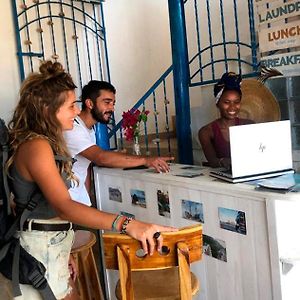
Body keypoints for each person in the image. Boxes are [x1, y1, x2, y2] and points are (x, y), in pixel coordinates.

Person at [0, 61, 176, 300]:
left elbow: (49, 209)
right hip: (39, 252)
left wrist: (66, 249)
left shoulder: (44, 142)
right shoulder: (37, 146)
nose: (76, 111)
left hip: (50, 246)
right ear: (46, 110)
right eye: (71, 105)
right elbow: (64, 205)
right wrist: (128, 224)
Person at [63, 80, 174, 206]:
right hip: (66, 202)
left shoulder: (88, 129)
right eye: (107, 102)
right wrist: (146, 160)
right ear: (90, 103)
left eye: (113, 103)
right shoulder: (73, 128)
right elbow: (101, 157)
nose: (112, 108)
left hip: (78, 200)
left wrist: (87, 197)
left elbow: (85, 166)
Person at [198, 72, 254, 169]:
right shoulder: (206, 132)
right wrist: (223, 161)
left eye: (236, 102)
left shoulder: (249, 125)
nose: (232, 107)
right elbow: (212, 161)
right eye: (226, 102)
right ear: (217, 104)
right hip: (224, 178)